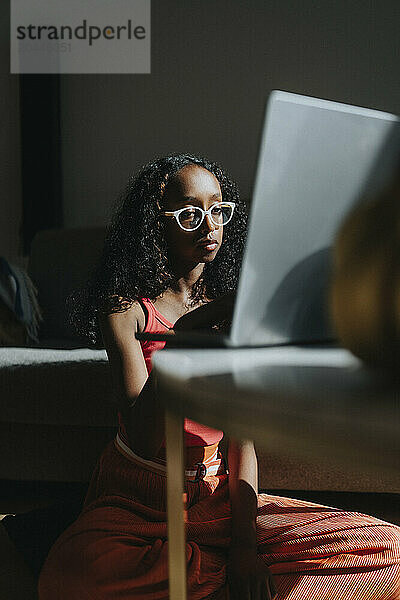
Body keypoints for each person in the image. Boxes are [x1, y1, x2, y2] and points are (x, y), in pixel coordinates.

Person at [38, 154, 400, 600]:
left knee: (389, 551)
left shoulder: (232, 310)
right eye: (190, 214)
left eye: (218, 210)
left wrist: (246, 547)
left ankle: (210, 581)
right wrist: (184, 338)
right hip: (141, 495)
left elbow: (241, 441)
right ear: (155, 224)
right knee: (71, 574)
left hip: (216, 499)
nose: (210, 226)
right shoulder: (126, 310)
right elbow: (144, 435)